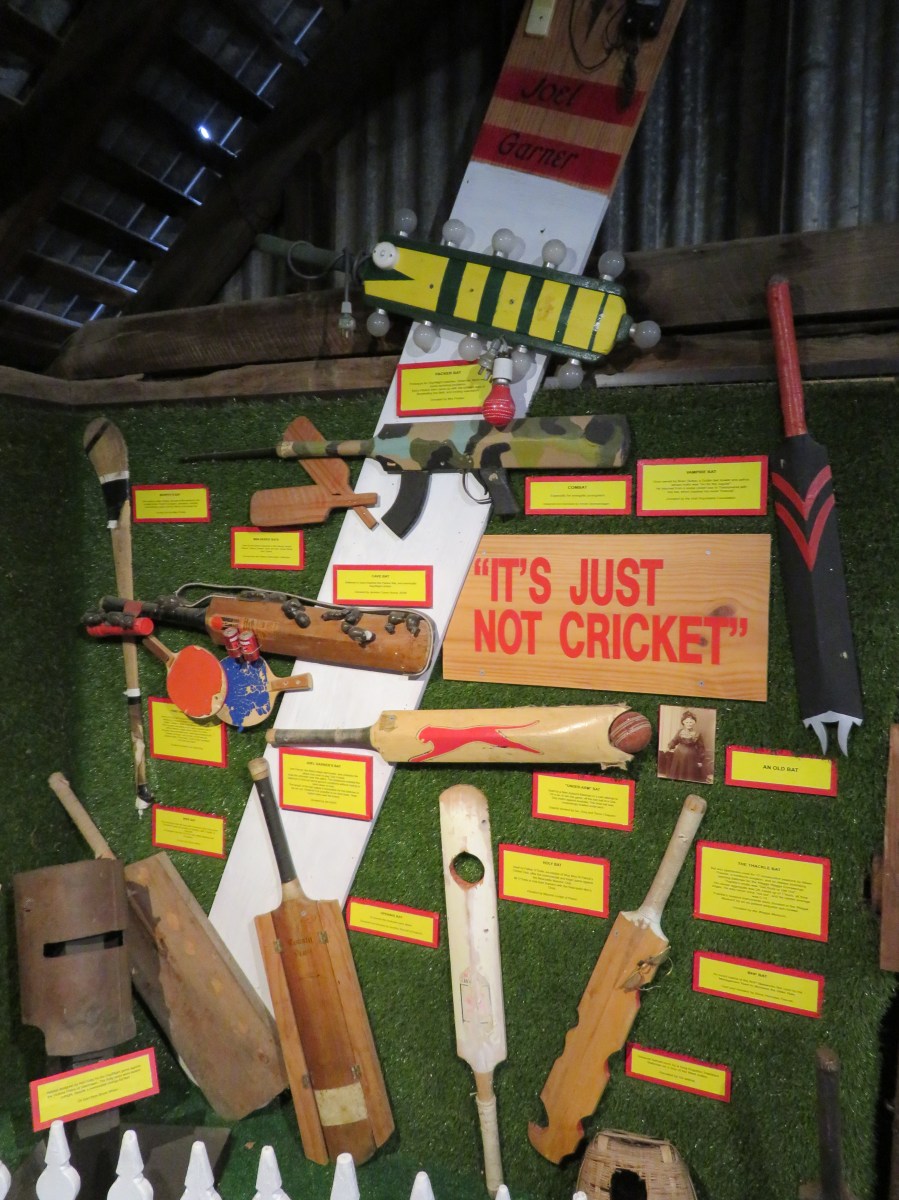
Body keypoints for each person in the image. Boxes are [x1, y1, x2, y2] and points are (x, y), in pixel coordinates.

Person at [665, 710, 708, 783]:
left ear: (694, 722)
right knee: (677, 774)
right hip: (678, 756)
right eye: (687, 722)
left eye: (691, 722)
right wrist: (669, 747)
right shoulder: (680, 732)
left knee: (689, 775)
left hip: (691, 757)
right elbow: (674, 741)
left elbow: (701, 748)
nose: (689, 724)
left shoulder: (697, 734)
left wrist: (700, 760)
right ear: (683, 722)